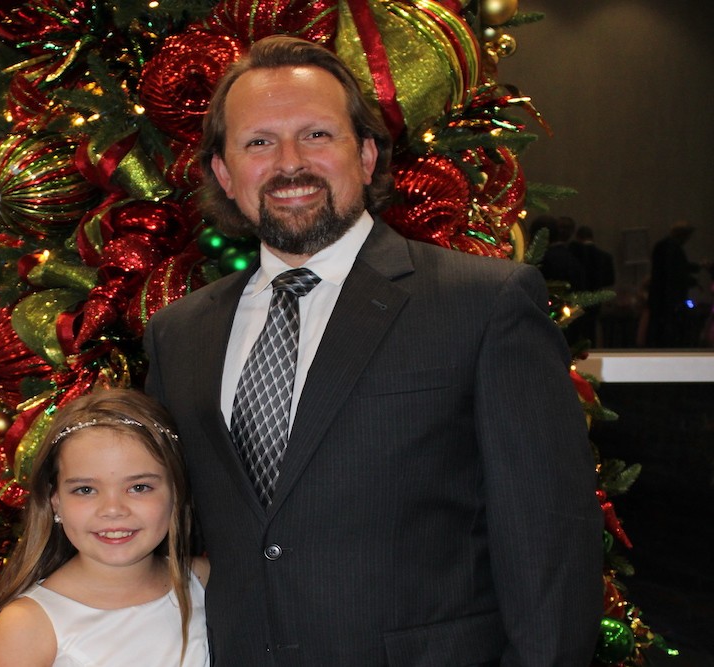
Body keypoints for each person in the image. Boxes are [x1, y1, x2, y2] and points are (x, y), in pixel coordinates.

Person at [144, 36, 602, 665]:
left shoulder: (482, 304)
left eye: (316, 135)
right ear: (224, 173)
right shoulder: (178, 333)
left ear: (364, 155)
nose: (289, 164)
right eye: (258, 143)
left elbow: (548, 536)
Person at [0, 388, 210, 667]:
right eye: (85, 490)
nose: (113, 509)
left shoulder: (202, 580)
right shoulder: (25, 625)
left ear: (176, 493)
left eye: (139, 487)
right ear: (56, 502)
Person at [645, 220, 704, 347]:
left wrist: (697, 268)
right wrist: (694, 280)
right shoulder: (673, 248)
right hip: (669, 298)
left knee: (657, 329)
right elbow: (676, 273)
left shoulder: (661, 246)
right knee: (669, 331)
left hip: (658, 297)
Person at [568, 221, 616, 346]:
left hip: (577, 296)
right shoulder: (605, 256)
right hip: (596, 296)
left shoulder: (573, 256)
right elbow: (610, 280)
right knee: (592, 328)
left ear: (578, 237)